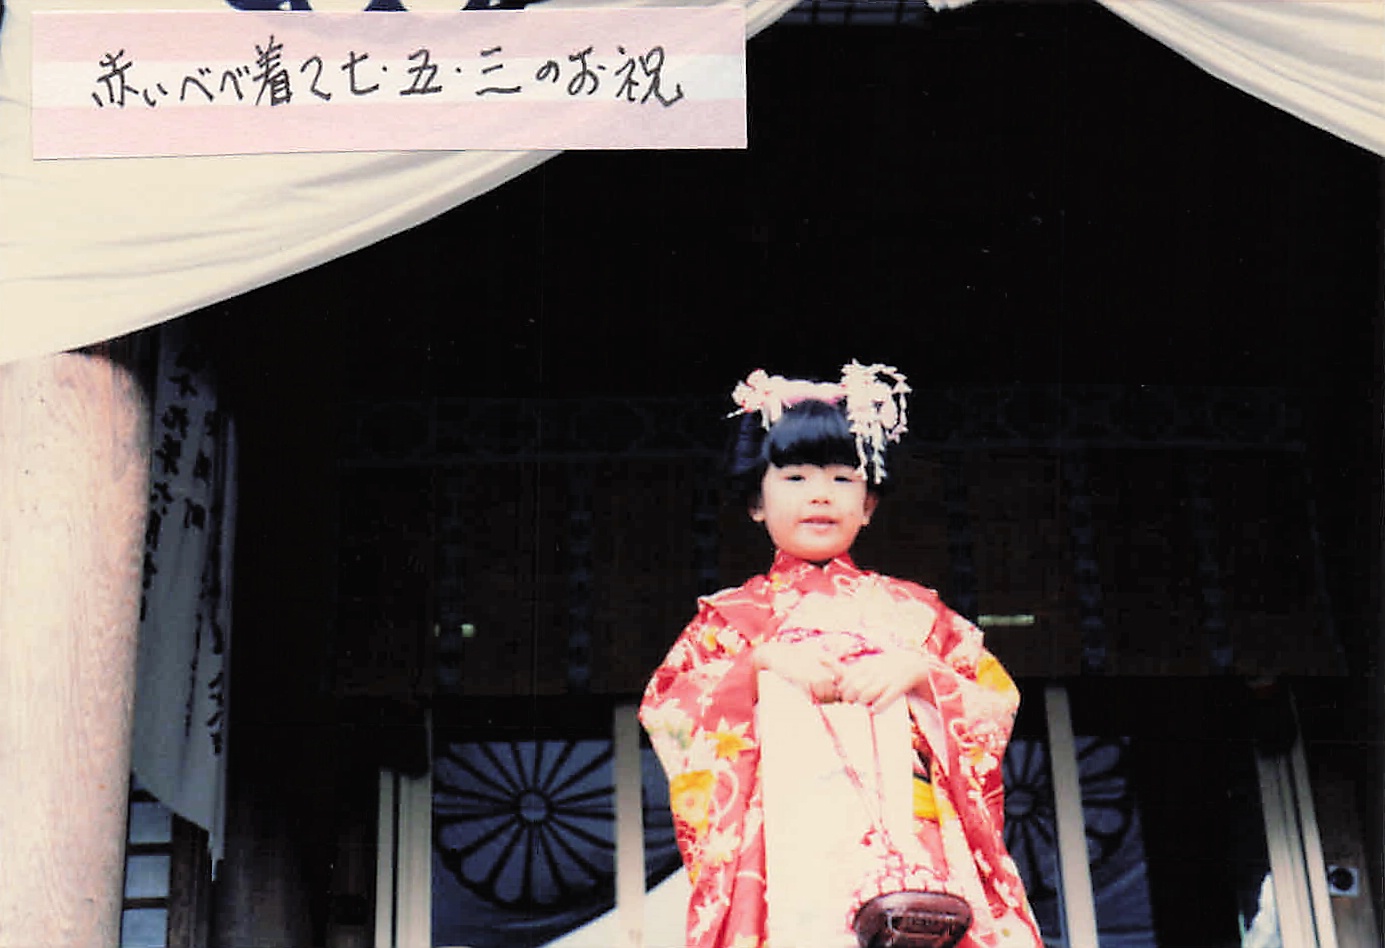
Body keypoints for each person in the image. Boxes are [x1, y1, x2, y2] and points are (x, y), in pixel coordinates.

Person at [639, 363, 1043, 948]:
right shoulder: (730, 619)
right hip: (784, 846)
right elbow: (671, 707)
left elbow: (992, 698)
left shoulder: (916, 612)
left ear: (869, 503)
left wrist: (923, 674)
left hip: (909, 850)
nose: (820, 494)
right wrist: (759, 665)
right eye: (795, 477)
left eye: (842, 478)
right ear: (756, 502)